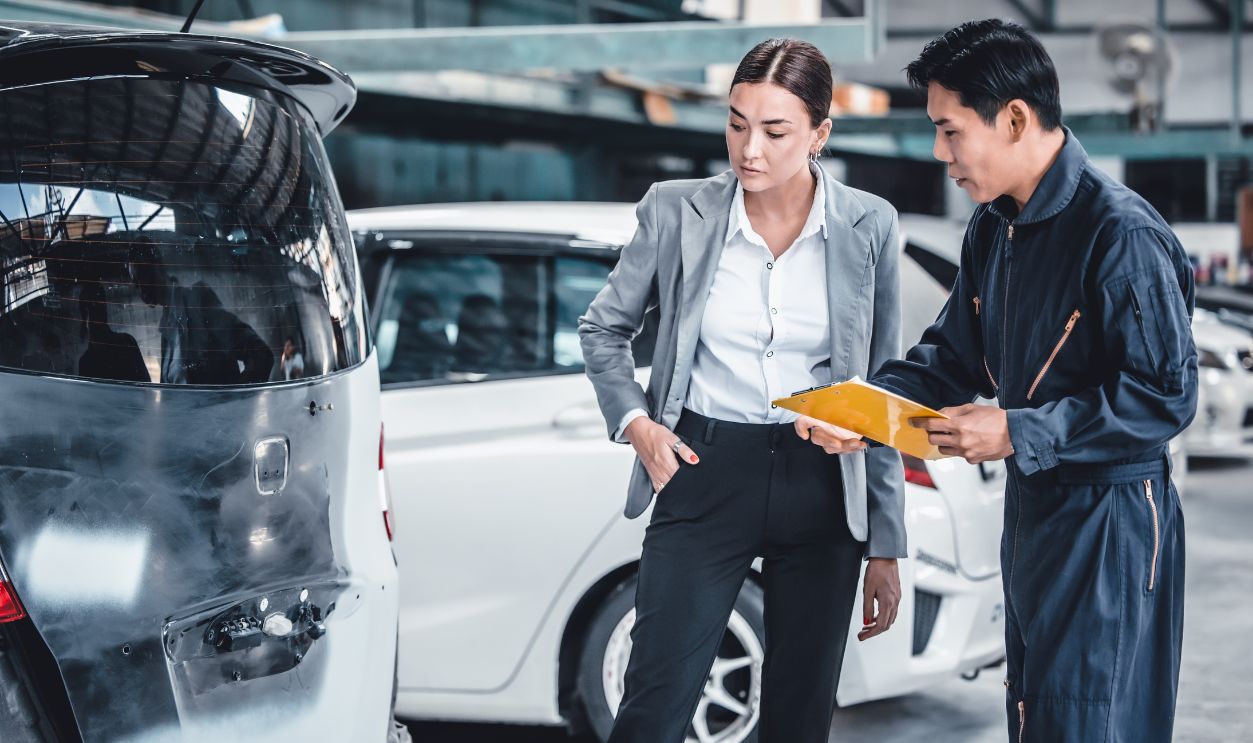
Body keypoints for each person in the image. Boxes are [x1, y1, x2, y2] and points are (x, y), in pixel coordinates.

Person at [868, 20, 1197, 742]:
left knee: (1089, 718)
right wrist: (862, 407)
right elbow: (951, 357)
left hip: (1108, 515)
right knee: (1037, 712)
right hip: (1035, 508)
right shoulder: (994, 228)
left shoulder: (1120, 235)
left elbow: (1164, 397)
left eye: (949, 131)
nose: (938, 153)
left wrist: (1020, 429)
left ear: (1013, 118)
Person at [579, 38, 905, 742]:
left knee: (798, 715)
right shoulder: (675, 211)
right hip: (702, 466)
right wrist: (637, 425)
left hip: (823, 481)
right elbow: (602, 329)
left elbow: (880, 384)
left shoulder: (868, 225)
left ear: (819, 133)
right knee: (654, 703)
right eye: (735, 123)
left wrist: (886, 541)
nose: (748, 148)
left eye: (774, 129)